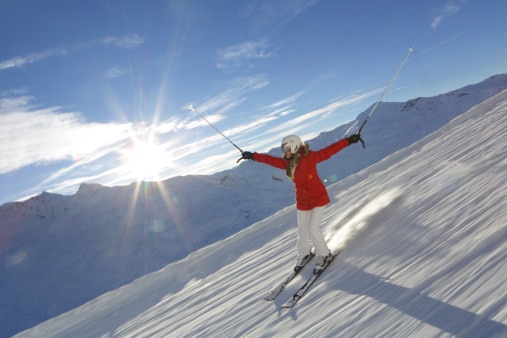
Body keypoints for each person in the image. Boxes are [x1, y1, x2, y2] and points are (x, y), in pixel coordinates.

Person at [241, 133, 360, 273]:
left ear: (295, 146)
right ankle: (304, 253)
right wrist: (252, 156)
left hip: (318, 198)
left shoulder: (310, 157)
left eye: (287, 149)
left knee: (313, 228)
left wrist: (348, 141)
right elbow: (269, 160)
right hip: (303, 201)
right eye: (283, 149)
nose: (284, 152)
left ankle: (325, 255)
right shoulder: (287, 163)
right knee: (302, 229)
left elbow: (330, 150)